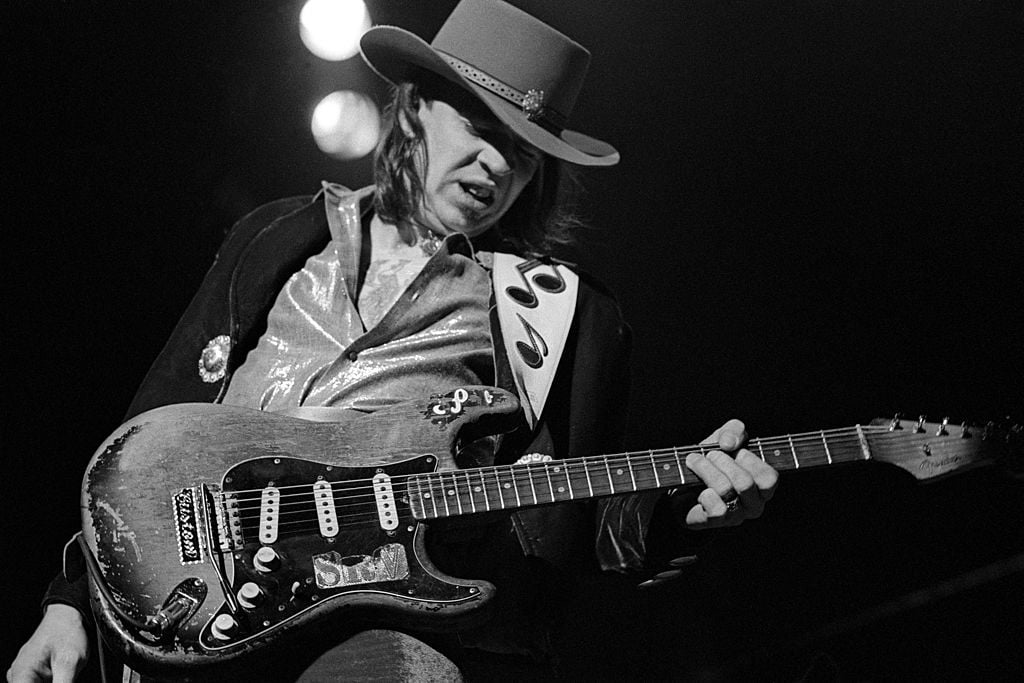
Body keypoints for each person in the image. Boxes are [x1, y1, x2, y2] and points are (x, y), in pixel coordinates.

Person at [8, 1, 778, 680]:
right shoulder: (277, 234)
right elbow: (149, 427)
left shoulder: (563, 314)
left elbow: (582, 524)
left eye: (523, 149)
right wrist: (71, 600)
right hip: (188, 613)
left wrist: (682, 508)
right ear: (416, 109)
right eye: (480, 127)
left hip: (380, 633)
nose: (497, 164)